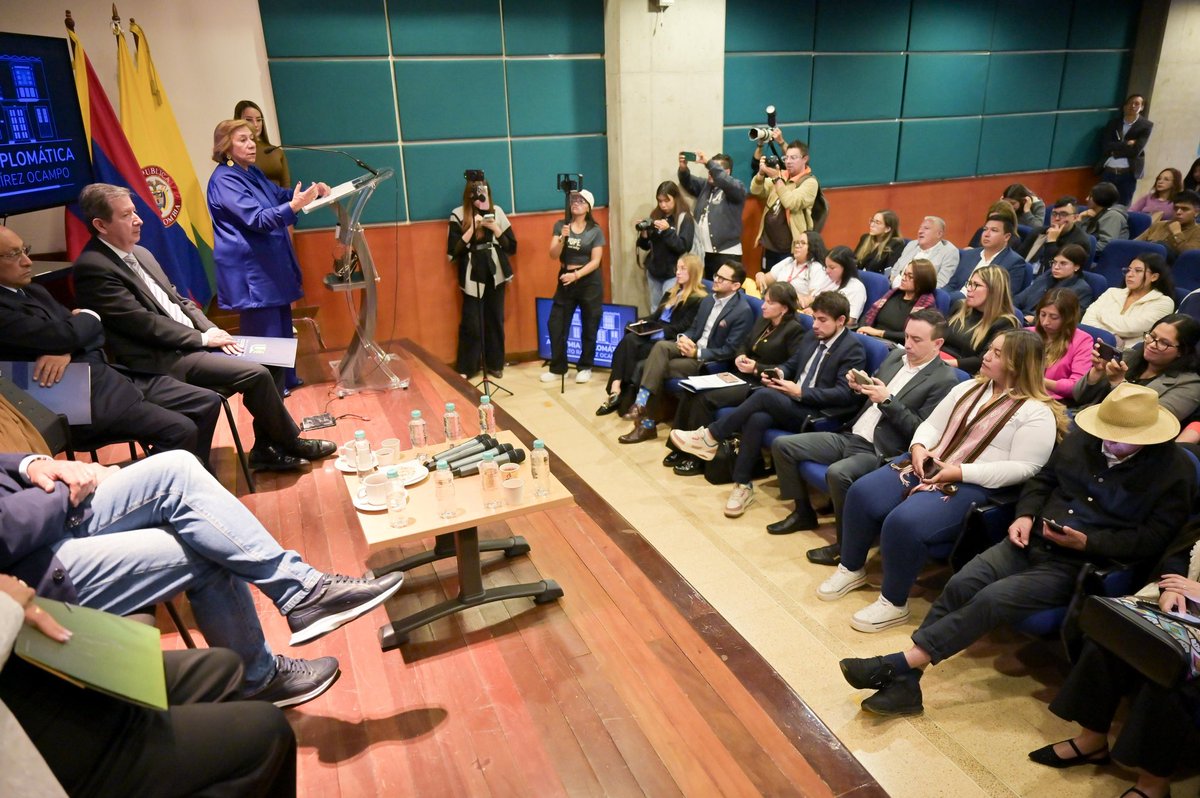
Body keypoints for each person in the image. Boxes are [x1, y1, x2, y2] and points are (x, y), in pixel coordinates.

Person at [838, 383, 1193, 717]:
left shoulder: (1175, 471)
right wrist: (1024, 515)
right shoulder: (1084, 438)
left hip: (1079, 562)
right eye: (1106, 434)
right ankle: (907, 682)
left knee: (993, 599)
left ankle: (898, 664)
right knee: (962, 583)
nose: (1109, 443)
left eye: (1120, 440)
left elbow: (1154, 538)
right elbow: (1043, 481)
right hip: (1032, 538)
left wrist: (1089, 543)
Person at [0, 446, 405, 708]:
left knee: (176, 466)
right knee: (205, 550)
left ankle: (302, 591)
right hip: (23, 568)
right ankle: (258, 678)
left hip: (34, 512)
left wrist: (35, 463)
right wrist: (62, 488)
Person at [71, 183, 337, 473]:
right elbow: (143, 324)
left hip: (193, 342)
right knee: (257, 373)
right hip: (162, 358)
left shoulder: (140, 252)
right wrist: (202, 338)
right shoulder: (94, 267)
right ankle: (290, 441)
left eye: (134, 211)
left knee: (275, 357)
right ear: (101, 225)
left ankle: (267, 449)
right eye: (126, 215)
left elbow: (180, 301)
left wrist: (212, 330)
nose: (138, 220)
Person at [820, 329, 1063, 631]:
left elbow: (1025, 468)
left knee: (904, 521)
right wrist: (919, 447)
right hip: (932, 461)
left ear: (1019, 363)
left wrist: (959, 472)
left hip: (973, 483)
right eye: (990, 348)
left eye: (997, 353)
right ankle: (851, 567)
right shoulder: (970, 387)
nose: (986, 356)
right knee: (862, 492)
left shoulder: (1037, 412)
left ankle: (893, 603)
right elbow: (932, 425)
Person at [0, 574, 298, 797]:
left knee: (223, 669)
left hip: (27, 654)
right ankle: (301, 593)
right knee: (269, 731)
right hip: (20, 733)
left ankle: (299, 596)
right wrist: (9, 604)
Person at [0, 225, 221, 465]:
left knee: (206, 403)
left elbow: (93, 334)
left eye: (24, 250)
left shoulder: (33, 290)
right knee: (180, 430)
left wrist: (68, 347)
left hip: (108, 379)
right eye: (13, 255)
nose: (27, 261)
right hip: (77, 402)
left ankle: (198, 477)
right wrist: (81, 326)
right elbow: (71, 333)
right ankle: (165, 484)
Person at [769, 310, 959, 565]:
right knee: (783, 446)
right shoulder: (896, 357)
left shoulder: (944, 380)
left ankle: (847, 546)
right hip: (852, 434)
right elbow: (870, 396)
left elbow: (922, 432)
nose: (908, 344)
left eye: (916, 340)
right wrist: (859, 388)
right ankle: (803, 513)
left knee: (838, 473)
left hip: (880, 449)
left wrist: (888, 401)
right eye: (906, 336)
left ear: (938, 344)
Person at [670, 292, 866, 518]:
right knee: (758, 418)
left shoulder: (853, 348)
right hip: (793, 400)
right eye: (814, 318)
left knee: (764, 396)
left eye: (822, 320)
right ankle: (742, 485)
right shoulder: (812, 337)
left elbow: (844, 394)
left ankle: (711, 436)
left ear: (841, 321)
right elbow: (793, 364)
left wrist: (801, 392)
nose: (815, 325)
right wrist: (778, 373)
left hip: (816, 413)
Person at [1028, 543, 1200, 798]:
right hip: (1184, 610)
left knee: (1169, 672)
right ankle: (1092, 741)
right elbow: (1181, 551)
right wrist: (1172, 589)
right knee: (1109, 637)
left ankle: (1153, 783)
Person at [207, 120, 328, 396]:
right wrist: (293, 206)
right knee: (265, 331)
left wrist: (311, 194)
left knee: (282, 323)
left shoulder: (251, 172)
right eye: (242, 140)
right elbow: (256, 218)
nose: (252, 144)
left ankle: (286, 379)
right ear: (225, 147)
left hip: (268, 263)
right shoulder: (225, 180)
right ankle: (268, 388)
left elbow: (280, 196)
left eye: (252, 138)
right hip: (251, 268)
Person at [666, 281, 806, 476]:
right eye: (764, 300)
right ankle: (680, 448)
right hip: (739, 374)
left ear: (784, 308)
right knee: (691, 389)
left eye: (769, 302)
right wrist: (741, 356)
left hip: (759, 384)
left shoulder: (794, 330)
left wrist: (757, 368)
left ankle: (697, 459)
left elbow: (790, 368)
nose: (763, 306)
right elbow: (744, 344)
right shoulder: (764, 320)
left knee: (705, 398)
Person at [617, 261, 754, 443]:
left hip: (706, 361)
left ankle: (646, 424)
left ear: (735, 285)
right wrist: (684, 338)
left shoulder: (742, 311)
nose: (716, 280)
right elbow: (694, 328)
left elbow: (729, 351)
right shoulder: (708, 300)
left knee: (649, 367)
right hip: (691, 347)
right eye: (716, 275)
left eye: (722, 278)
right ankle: (641, 405)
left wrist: (696, 353)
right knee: (661, 346)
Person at [598, 254, 706, 416]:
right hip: (654, 330)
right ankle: (616, 388)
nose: (677, 272)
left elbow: (683, 327)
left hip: (668, 337)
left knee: (632, 348)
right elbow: (655, 317)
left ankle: (619, 395)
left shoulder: (698, 299)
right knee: (629, 338)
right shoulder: (671, 293)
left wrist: (658, 332)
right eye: (677, 268)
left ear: (693, 272)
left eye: (683, 269)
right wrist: (641, 323)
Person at [447, 175, 516, 380]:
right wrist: (472, 229)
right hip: (472, 273)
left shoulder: (497, 212)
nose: (480, 196)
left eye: (483, 192)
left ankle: (495, 364)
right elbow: (453, 252)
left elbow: (512, 247)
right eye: (476, 192)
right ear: (469, 194)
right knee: (472, 323)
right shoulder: (458, 214)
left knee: (495, 319)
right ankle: (467, 367)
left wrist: (495, 228)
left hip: (495, 272)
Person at [1074, 313, 1200, 421]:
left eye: (1164, 343)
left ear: (1182, 351)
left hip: (1119, 437)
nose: (1152, 344)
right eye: (1152, 336)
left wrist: (1119, 384)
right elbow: (1078, 396)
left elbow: (1150, 422)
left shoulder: (1189, 385)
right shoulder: (1127, 356)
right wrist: (1097, 371)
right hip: (1084, 418)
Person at [544, 188, 605, 384]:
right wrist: (562, 238)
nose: (575, 203)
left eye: (581, 201)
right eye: (573, 200)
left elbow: (596, 261)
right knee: (556, 323)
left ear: (588, 207)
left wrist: (576, 275)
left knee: (590, 324)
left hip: (588, 280)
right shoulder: (561, 225)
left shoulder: (595, 230)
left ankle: (585, 366)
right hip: (565, 278)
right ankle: (558, 368)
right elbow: (553, 254)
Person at [749, 135, 819, 269]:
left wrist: (776, 178)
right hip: (770, 245)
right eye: (786, 158)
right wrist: (760, 174)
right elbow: (756, 191)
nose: (788, 162)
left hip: (791, 249)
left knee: (785, 281)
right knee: (767, 278)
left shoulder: (810, 182)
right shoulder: (782, 175)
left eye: (793, 158)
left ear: (805, 159)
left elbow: (791, 203)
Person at [1080, 253, 1176, 349]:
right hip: (1091, 344)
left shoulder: (1164, 303)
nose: (1129, 275)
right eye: (1128, 270)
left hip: (1126, 353)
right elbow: (1087, 320)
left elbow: (1130, 328)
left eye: (1138, 271)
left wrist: (1101, 315)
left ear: (1154, 277)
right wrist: (1112, 337)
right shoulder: (1112, 292)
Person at [677, 151, 746, 279]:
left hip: (726, 253)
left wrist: (708, 163)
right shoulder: (706, 186)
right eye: (709, 170)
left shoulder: (736, 189)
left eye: (714, 169)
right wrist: (683, 169)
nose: (710, 172)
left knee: (723, 287)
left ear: (727, 172)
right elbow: (688, 181)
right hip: (704, 253)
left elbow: (729, 183)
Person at [941, 266, 1021, 374]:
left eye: (976, 285)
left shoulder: (1005, 323)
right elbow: (938, 337)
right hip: (940, 360)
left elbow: (983, 361)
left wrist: (945, 363)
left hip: (962, 372)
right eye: (970, 283)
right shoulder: (959, 306)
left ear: (994, 291)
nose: (969, 289)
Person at [636, 181, 695, 307]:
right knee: (655, 308)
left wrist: (667, 231)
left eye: (667, 201)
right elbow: (646, 246)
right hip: (654, 272)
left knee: (668, 309)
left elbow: (683, 246)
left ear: (676, 198)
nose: (663, 205)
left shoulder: (685, 218)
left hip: (673, 273)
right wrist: (644, 234)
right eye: (660, 201)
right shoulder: (656, 215)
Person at [1031, 289, 1094, 403]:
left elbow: (1076, 386)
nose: (1045, 322)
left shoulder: (1083, 341)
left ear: (1068, 318)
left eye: (1054, 317)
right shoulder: (1028, 334)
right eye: (1043, 314)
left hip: (1054, 402)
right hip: (1023, 394)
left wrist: (1037, 381)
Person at [857, 259, 939, 344]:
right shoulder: (893, 293)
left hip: (894, 345)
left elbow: (912, 335)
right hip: (870, 337)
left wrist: (879, 333)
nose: (903, 278)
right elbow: (868, 315)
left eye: (910, 277)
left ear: (923, 281)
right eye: (904, 274)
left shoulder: (925, 305)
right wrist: (863, 329)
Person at [944, 214, 1028, 294]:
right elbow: (951, 285)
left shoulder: (1014, 262)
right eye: (985, 229)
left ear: (1006, 237)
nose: (986, 234)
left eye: (994, 230)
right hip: (955, 298)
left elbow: (1004, 296)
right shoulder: (969, 254)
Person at [1014, 242, 1094, 319]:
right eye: (1054, 262)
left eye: (1063, 263)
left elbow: (1067, 318)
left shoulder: (1082, 290)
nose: (1056, 267)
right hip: (1020, 318)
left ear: (1076, 267)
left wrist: (1032, 319)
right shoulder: (1046, 277)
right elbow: (1018, 300)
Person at [1098, 94, 1153, 206]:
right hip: (1108, 171)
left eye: (1137, 104)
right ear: (1124, 106)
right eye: (1130, 103)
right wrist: (1126, 143)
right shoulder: (1113, 123)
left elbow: (1136, 151)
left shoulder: (1146, 125)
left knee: (1122, 206)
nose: (1132, 106)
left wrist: (1115, 152)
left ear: (1142, 107)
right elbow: (1106, 145)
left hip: (1128, 173)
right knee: (1101, 204)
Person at [887, 216, 959, 288]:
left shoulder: (949, 252)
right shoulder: (912, 244)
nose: (920, 231)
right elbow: (894, 270)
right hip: (894, 287)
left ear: (939, 234)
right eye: (920, 228)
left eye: (926, 228)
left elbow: (940, 283)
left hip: (919, 291)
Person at [754, 231, 828, 298]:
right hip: (774, 301)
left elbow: (812, 298)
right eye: (797, 242)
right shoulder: (788, 261)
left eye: (802, 243)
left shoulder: (816, 268)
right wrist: (760, 275)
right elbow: (765, 279)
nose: (797, 246)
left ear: (812, 247)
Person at [234, 99, 289, 188]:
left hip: (281, 196)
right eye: (249, 120)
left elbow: (286, 186)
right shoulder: (237, 154)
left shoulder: (276, 151)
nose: (255, 124)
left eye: (259, 120)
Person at [1135, 189, 1200, 260]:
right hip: (1140, 262)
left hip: (1170, 265)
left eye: (1185, 209)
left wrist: (1177, 234)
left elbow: (1191, 257)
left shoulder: (1197, 232)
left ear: (1196, 212)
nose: (1178, 212)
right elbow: (1135, 244)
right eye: (1176, 208)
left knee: (1161, 246)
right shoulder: (1159, 225)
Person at [1034, 196, 1093, 275]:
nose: (1057, 218)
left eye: (1063, 214)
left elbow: (1054, 271)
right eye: (1054, 214)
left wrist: (1051, 242)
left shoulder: (1079, 242)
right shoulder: (1040, 231)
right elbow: (1021, 259)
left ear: (1075, 218)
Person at [809, 245, 867, 324]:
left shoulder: (856, 288)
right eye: (826, 266)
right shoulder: (829, 279)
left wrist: (817, 315)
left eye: (832, 267)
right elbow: (812, 298)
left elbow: (849, 321)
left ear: (846, 268)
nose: (827, 271)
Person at [1076, 181, 1129, 254]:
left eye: (1090, 197)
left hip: (1104, 256)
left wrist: (1078, 249)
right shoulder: (1090, 213)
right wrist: (1079, 218)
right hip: (1087, 252)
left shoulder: (1113, 216)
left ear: (1100, 198)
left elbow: (1105, 245)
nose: (1086, 199)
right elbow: (1078, 237)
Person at [854, 209, 905, 274]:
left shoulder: (896, 245)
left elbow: (888, 272)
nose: (872, 225)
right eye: (872, 221)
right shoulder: (865, 238)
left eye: (877, 223)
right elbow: (854, 261)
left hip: (876, 279)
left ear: (887, 229)